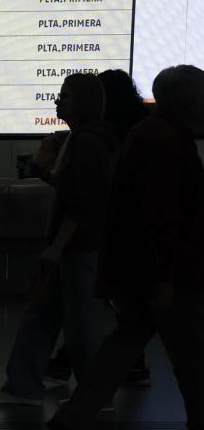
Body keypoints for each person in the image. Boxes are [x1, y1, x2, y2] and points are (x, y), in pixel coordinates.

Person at [48, 64, 204, 430]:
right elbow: (163, 215)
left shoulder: (151, 135)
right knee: (192, 358)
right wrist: (166, 277)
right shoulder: (168, 141)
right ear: (188, 101)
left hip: (140, 267)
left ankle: (76, 415)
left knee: (124, 343)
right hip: (163, 272)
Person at [0, 73, 118, 406]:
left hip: (78, 246)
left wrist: (57, 246)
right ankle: (22, 383)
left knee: (79, 325)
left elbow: (79, 200)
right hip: (77, 245)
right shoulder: (88, 139)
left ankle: (93, 394)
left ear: (83, 102)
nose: (58, 101)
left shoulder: (85, 142)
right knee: (45, 315)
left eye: (65, 96)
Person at [44, 68, 152, 386]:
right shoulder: (139, 124)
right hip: (133, 221)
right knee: (120, 300)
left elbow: (83, 195)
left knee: (91, 307)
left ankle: (92, 376)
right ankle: (125, 364)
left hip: (109, 225)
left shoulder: (95, 137)